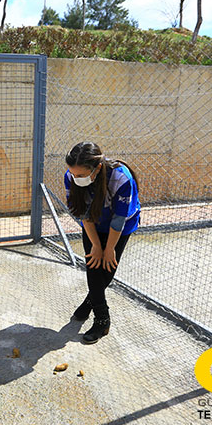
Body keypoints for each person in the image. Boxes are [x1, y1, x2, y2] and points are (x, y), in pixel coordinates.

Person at [64, 141, 140, 344]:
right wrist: (96, 245)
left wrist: (109, 249)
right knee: (93, 268)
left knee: (106, 270)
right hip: (93, 224)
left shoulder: (121, 178)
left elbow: (119, 219)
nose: (75, 178)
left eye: (80, 175)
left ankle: (91, 305)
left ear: (96, 168)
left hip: (120, 226)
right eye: (73, 174)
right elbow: (82, 213)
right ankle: (102, 319)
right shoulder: (71, 177)